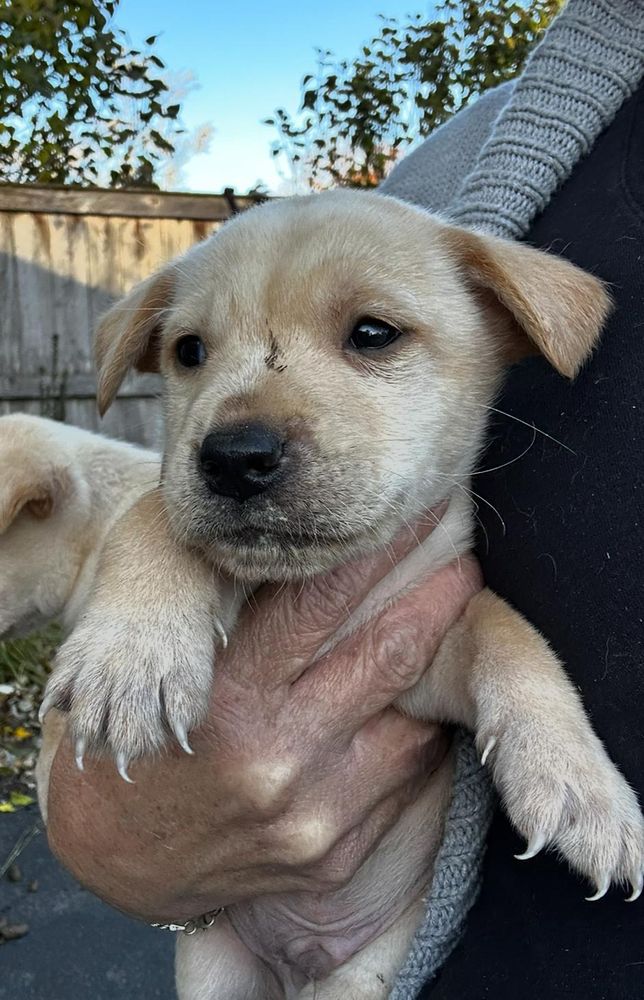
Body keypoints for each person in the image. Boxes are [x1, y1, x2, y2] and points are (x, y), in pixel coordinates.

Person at [46, 0, 644, 996]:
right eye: (193, 350)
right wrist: (111, 825)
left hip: (387, 950)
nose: (241, 427)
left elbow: (454, 635)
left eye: (368, 335)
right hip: (229, 934)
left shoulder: (474, 284)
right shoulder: (465, 172)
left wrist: (539, 724)